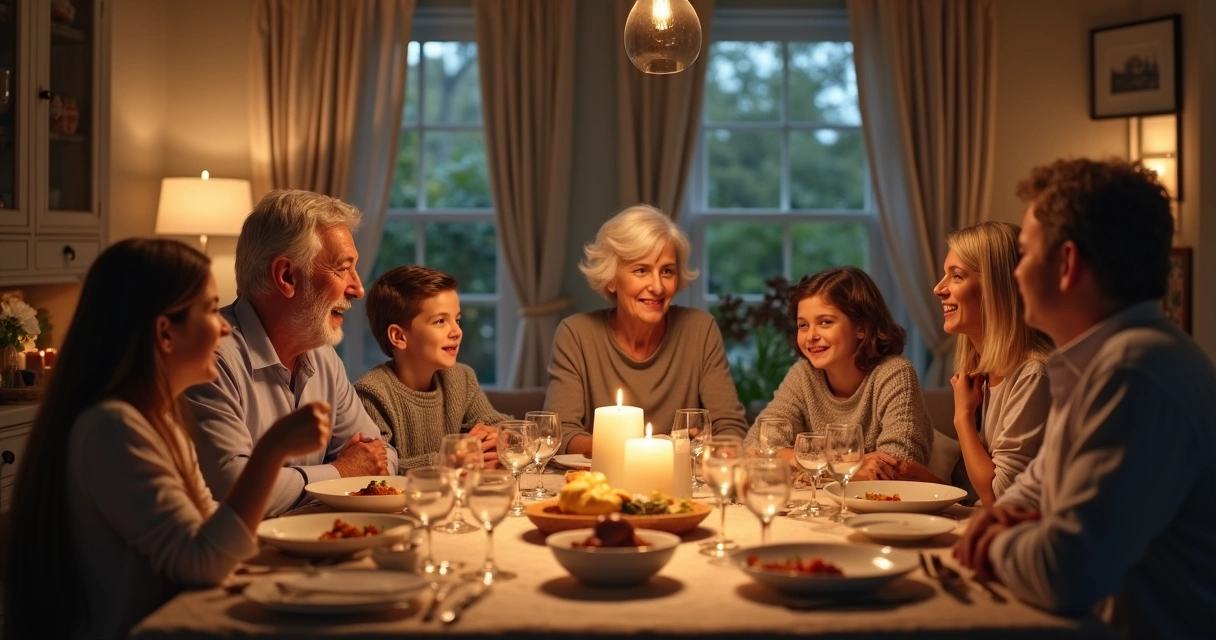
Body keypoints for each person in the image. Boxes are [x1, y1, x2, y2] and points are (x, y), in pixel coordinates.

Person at [2, 239, 331, 640]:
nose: (225, 326)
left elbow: (215, 530)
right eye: (211, 309)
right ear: (165, 333)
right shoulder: (113, 429)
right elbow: (204, 560)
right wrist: (272, 450)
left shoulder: (157, 421)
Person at [954, 158, 1216, 638]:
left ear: (1067, 264)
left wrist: (991, 545)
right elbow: (1028, 491)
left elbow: (1066, 572)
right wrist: (1010, 521)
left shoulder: (1134, 373)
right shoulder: (1100, 363)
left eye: (1026, 255)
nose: (1015, 276)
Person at [185, 189, 396, 518]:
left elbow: (380, 458)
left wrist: (349, 468)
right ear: (286, 276)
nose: (358, 288)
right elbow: (232, 488)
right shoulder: (210, 357)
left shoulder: (322, 355)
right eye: (343, 269)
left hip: (316, 545)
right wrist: (340, 472)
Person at [545, 204, 748, 454]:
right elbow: (560, 434)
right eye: (641, 270)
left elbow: (730, 427)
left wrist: (719, 450)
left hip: (684, 487)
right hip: (601, 484)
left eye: (667, 271)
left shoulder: (700, 329)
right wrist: (643, 448)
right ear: (611, 278)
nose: (657, 286)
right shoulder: (576, 334)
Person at [745, 266, 933, 480]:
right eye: (803, 325)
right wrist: (850, 465)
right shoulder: (803, 374)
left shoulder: (895, 373)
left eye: (825, 322)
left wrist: (798, 462)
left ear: (861, 328)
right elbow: (755, 446)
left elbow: (896, 467)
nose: (811, 336)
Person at [933, 221, 1052, 504]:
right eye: (944, 275)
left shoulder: (1034, 375)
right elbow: (970, 489)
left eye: (957, 276)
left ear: (996, 288)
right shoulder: (981, 374)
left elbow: (1000, 497)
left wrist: (962, 417)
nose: (939, 289)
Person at [355, 266, 506, 470]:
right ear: (399, 336)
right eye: (441, 321)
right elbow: (375, 467)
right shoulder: (372, 393)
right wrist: (446, 461)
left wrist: (500, 437)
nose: (457, 331)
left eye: (457, 320)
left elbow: (496, 424)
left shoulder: (461, 378)